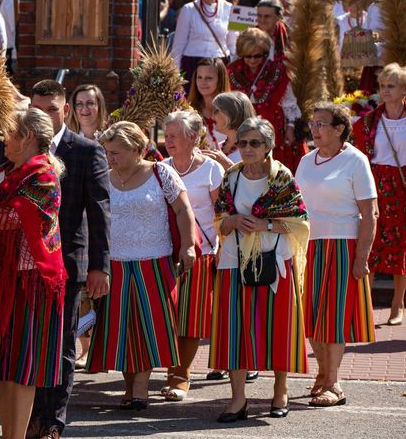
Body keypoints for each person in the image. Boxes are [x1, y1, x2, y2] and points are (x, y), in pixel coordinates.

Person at [0, 107, 65, 439]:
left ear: (28, 137)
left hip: (31, 280)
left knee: (21, 365)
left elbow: (10, 218)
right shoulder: (5, 171)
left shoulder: (43, 173)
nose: (4, 140)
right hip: (3, 276)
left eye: (10, 133)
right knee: (1, 364)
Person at [29, 80, 110, 439]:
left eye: (50, 109)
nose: (43, 115)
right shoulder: (20, 147)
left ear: (64, 110)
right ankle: (31, 412)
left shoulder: (87, 150)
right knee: (29, 340)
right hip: (25, 264)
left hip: (68, 264)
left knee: (61, 343)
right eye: (37, 109)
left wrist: (100, 267)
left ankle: (52, 423)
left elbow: (99, 213)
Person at [90, 122, 194, 408]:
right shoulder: (103, 177)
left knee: (148, 327)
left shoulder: (161, 173)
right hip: (116, 263)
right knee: (122, 329)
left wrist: (188, 245)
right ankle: (130, 386)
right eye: (108, 152)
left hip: (155, 261)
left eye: (117, 153)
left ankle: (141, 387)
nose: (110, 158)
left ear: (137, 150)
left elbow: (183, 210)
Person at [211, 117, 309, 422]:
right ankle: (238, 399)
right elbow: (219, 219)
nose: (247, 148)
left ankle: (281, 389)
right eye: (242, 143)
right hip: (234, 260)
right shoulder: (232, 176)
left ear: (268, 146)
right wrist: (233, 221)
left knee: (278, 327)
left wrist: (265, 224)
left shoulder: (281, 178)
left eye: (254, 143)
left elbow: (299, 222)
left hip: (273, 259)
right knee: (234, 329)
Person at [297, 102, 378, 408]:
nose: (314, 129)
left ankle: (334, 383)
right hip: (309, 245)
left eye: (321, 124)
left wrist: (362, 258)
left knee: (333, 317)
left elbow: (370, 214)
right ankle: (322, 375)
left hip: (343, 244)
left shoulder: (356, 161)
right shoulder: (306, 161)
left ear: (339, 129)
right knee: (312, 315)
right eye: (313, 123)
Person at [161, 111, 224, 401]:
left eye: (174, 135)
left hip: (202, 252)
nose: (167, 140)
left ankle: (181, 375)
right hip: (165, 251)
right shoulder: (161, 168)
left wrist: (222, 248)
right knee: (169, 315)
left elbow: (223, 215)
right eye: (166, 134)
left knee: (190, 317)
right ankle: (171, 370)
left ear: (193, 138)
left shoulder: (211, 170)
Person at [354, 64, 406, 325]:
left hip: (403, 186)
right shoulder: (369, 121)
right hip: (375, 185)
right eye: (382, 86)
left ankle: (397, 306)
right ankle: (364, 305)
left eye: (391, 86)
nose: (385, 91)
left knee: (401, 246)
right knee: (370, 243)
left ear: (403, 90)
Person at [227, 28, 305, 171]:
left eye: (257, 56)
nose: (252, 60)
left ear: (265, 53)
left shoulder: (278, 71)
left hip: (273, 128)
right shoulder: (232, 72)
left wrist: (291, 127)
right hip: (242, 128)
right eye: (247, 56)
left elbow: (289, 103)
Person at [171, 0, 232, 82]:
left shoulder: (229, 9)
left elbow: (233, 43)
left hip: (220, 63)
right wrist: (175, 73)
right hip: (193, 64)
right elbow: (178, 44)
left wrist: (234, 67)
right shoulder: (188, 9)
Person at [188, 58, 232, 148]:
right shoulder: (188, 110)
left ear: (220, 80)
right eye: (199, 77)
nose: (203, 82)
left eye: (209, 78)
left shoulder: (232, 110)